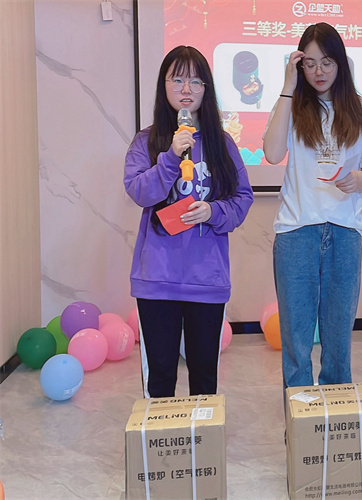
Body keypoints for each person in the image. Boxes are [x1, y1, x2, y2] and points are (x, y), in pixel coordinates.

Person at [124, 46, 254, 398]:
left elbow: (242, 199)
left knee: (204, 378)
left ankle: (202, 436)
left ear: (206, 89)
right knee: (160, 378)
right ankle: (162, 437)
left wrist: (213, 212)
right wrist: (170, 156)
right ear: (163, 85)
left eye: (196, 81)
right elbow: (139, 191)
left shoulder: (222, 143)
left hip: (206, 278)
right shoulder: (146, 141)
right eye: (177, 79)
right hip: (157, 278)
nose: (186, 89)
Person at [262, 22, 362, 389]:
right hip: (297, 230)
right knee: (296, 338)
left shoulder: (360, 109)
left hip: (345, 231)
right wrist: (287, 87)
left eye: (327, 62)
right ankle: (301, 415)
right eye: (309, 64)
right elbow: (272, 154)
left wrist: (358, 179)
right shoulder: (291, 106)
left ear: (340, 63)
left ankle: (336, 413)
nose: (319, 72)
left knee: (338, 339)